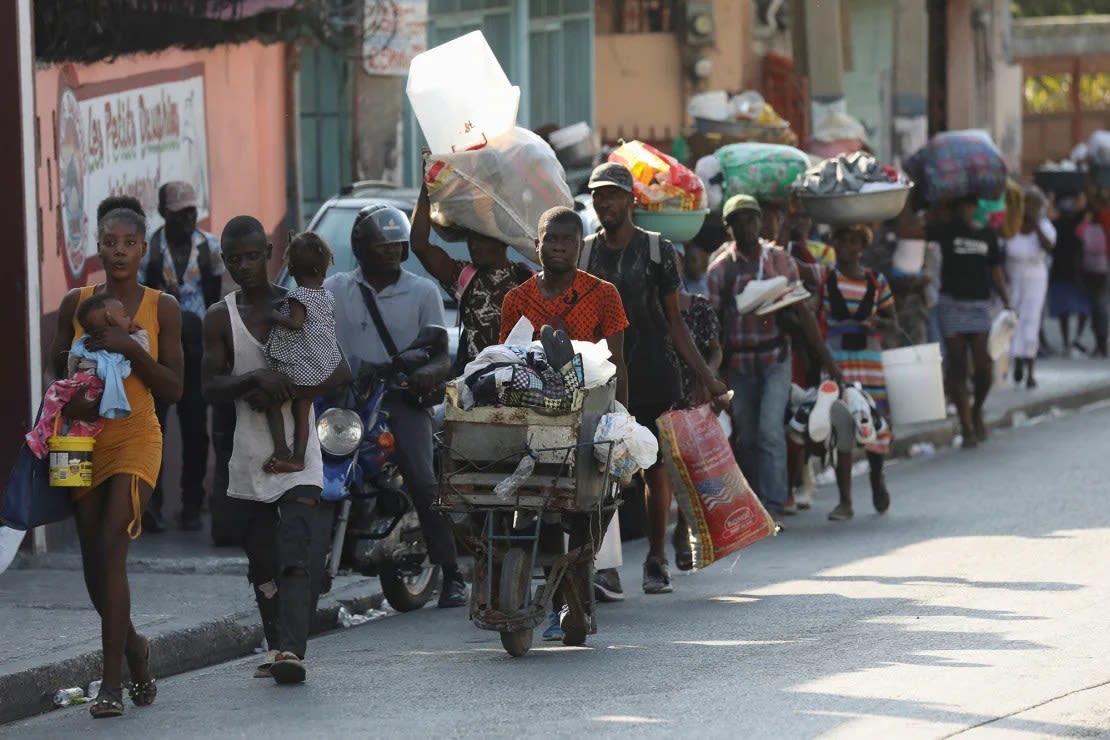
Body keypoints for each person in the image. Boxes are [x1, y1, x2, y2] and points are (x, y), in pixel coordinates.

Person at [48, 202, 184, 717]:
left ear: (143, 249)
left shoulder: (161, 306)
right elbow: (57, 369)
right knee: (92, 565)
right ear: (99, 247)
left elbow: (174, 387)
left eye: (130, 242)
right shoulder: (75, 303)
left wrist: (133, 349)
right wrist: (70, 398)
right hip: (83, 442)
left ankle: (110, 685)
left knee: (111, 547)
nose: (120, 251)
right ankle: (135, 647)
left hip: (135, 440)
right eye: (111, 242)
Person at [202, 216, 350, 685]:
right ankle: (274, 644)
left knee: (296, 549)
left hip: (301, 455)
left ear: (269, 252)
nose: (244, 266)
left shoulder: (299, 304)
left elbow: (341, 370)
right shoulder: (218, 316)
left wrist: (290, 389)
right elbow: (208, 386)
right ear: (224, 261)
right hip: (249, 453)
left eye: (252, 255)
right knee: (261, 560)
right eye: (234, 258)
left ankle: (292, 650)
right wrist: (252, 380)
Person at [580, 162, 728, 597]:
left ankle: (656, 558)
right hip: (602, 375)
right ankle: (605, 566)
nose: (604, 201)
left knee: (654, 468)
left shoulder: (658, 251)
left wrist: (706, 376)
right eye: (598, 194)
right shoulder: (586, 253)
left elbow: (675, 323)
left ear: (631, 201)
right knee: (599, 470)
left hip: (654, 372)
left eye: (613, 194)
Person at [325, 204, 469, 608]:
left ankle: (452, 573)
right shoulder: (336, 288)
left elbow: (441, 354)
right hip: (348, 400)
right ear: (361, 246)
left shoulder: (422, 291)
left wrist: (428, 373)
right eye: (381, 244)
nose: (390, 250)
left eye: (396, 244)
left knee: (423, 481)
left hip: (400, 399)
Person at [499, 205, 630, 643]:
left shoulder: (604, 294)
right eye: (549, 239)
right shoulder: (516, 300)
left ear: (580, 246)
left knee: (586, 512)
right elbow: (506, 361)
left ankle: (578, 589)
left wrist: (621, 420)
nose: (557, 247)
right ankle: (555, 604)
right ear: (536, 244)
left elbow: (617, 364)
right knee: (545, 510)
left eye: (566, 240)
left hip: (589, 419)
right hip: (533, 420)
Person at [707, 194, 842, 523]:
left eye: (752, 219)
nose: (748, 226)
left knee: (770, 430)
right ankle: (753, 503)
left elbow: (802, 312)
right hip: (740, 363)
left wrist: (828, 361)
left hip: (775, 357)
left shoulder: (779, 260)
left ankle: (773, 503)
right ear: (729, 228)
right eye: (739, 221)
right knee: (747, 435)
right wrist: (710, 373)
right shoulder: (720, 269)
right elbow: (712, 326)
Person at [139, 181, 224, 532]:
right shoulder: (149, 252)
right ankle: (152, 504)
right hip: (159, 349)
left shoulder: (210, 248)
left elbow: (215, 300)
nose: (188, 219)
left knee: (194, 427)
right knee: (153, 427)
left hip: (197, 347)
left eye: (191, 211)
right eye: (179, 213)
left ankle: (191, 503)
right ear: (163, 214)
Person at [818, 225, 897, 521]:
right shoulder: (825, 281)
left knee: (873, 421)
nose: (850, 248)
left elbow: (893, 322)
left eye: (855, 242)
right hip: (838, 362)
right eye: (844, 241)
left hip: (870, 362)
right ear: (835, 244)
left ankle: (877, 479)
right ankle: (845, 500)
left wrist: (875, 321)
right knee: (842, 425)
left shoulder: (877, 282)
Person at [411, 184, 533, 371]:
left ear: (502, 241)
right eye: (471, 238)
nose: (474, 246)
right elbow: (420, 246)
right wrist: (426, 189)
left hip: (515, 381)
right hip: (472, 383)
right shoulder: (464, 276)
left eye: (482, 239)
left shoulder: (524, 279)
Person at [928, 197, 1012, 448]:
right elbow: (911, 231)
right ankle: (966, 425)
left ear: (978, 208)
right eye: (962, 206)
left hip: (979, 305)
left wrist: (1008, 302)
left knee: (984, 367)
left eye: (971, 206)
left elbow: (995, 270)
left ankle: (977, 410)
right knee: (957, 365)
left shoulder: (988, 235)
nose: (967, 211)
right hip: (951, 303)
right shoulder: (946, 231)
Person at [28, 295, 151, 457]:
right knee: (53, 394)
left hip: (101, 387)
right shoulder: (88, 342)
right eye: (124, 315)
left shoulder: (127, 342)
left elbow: (143, 351)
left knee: (89, 420)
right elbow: (73, 358)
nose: (130, 318)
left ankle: (64, 437)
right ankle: (44, 433)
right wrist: (71, 380)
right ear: (111, 321)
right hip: (81, 382)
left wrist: (137, 333)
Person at [262, 232, 344, 473]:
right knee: (303, 411)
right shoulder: (327, 296)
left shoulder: (298, 295)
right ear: (323, 270)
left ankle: (281, 450)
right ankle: (299, 458)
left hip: (301, 371)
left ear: (293, 270)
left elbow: (296, 324)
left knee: (273, 403)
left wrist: (274, 315)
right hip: (322, 369)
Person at [1006, 187, 1056, 388]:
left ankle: (1031, 370)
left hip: (1035, 276)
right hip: (1013, 276)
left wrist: (1035, 224)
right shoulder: (1010, 226)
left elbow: (1050, 247)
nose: (1029, 208)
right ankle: (1016, 359)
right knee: (1013, 319)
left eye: (1034, 204)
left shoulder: (1044, 226)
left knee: (1032, 319)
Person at [1047, 192, 1090, 356]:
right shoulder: (1067, 222)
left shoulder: (1069, 222)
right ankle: (1071, 340)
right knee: (1071, 309)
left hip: (1071, 271)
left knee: (1076, 309)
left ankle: (1071, 341)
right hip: (1070, 271)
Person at [1077, 197, 1109, 358]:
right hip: (1101, 269)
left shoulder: (1087, 228)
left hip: (1091, 271)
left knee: (1097, 308)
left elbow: (1078, 236)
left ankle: (1101, 344)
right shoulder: (1102, 225)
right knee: (1099, 307)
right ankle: (1101, 345)